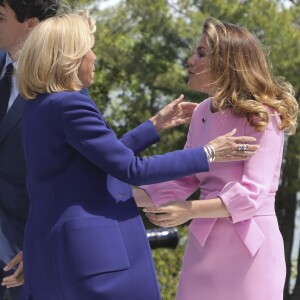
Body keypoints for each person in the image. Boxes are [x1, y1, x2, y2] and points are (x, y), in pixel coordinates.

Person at [14, 11, 259, 300]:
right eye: (88, 49)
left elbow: (96, 159)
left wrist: (153, 126)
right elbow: (131, 169)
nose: (94, 57)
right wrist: (209, 152)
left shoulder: (38, 105)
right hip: (94, 260)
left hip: (50, 250)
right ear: (70, 57)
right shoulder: (70, 105)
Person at [136, 17, 299, 300]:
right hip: (203, 247)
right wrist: (123, 195)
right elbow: (184, 177)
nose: (189, 60)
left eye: (201, 53)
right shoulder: (201, 112)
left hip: (252, 252)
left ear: (227, 61)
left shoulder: (262, 115)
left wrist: (188, 210)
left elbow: (252, 194)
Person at [0, 1, 60, 299]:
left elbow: (67, 177)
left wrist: (36, 245)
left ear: (31, 24)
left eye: (0, 17)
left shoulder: (60, 89)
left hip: (18, 257)